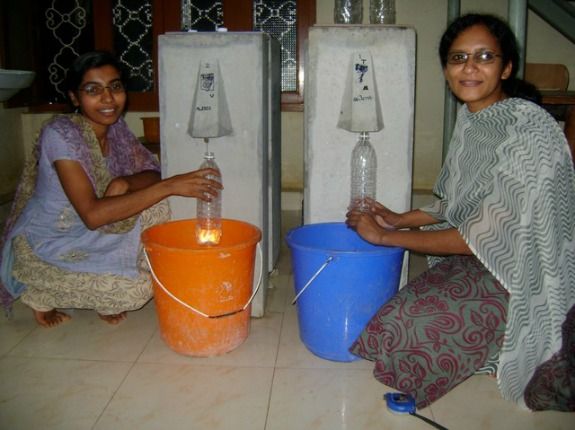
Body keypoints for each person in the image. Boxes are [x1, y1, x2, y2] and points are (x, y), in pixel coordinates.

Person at [346, 13, 575, 410]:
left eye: (484, 56)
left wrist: (384, 235)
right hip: (487, 258)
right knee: (394, 320)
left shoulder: (527, 130)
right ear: (447, 70)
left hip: (531, 272)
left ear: (505, 68)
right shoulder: (473, 122)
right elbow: (455, 203)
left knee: (421, 323)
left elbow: (486, 236)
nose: (469, 67)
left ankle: (513, 347)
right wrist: (400, 218)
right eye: (458, 58)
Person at [0, 51, 222, 327]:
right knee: (137, 291)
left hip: (90, 230)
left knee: (157, 205)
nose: (108, 99)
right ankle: (39, 290)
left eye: (115, 87)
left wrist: (125, 183)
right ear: (74, 97)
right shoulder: (61, 134)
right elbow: (93, 215)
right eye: (93, 90)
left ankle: (100, 290)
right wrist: (171, 185)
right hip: (50, 240)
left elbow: (152, 173)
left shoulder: (116, 130)